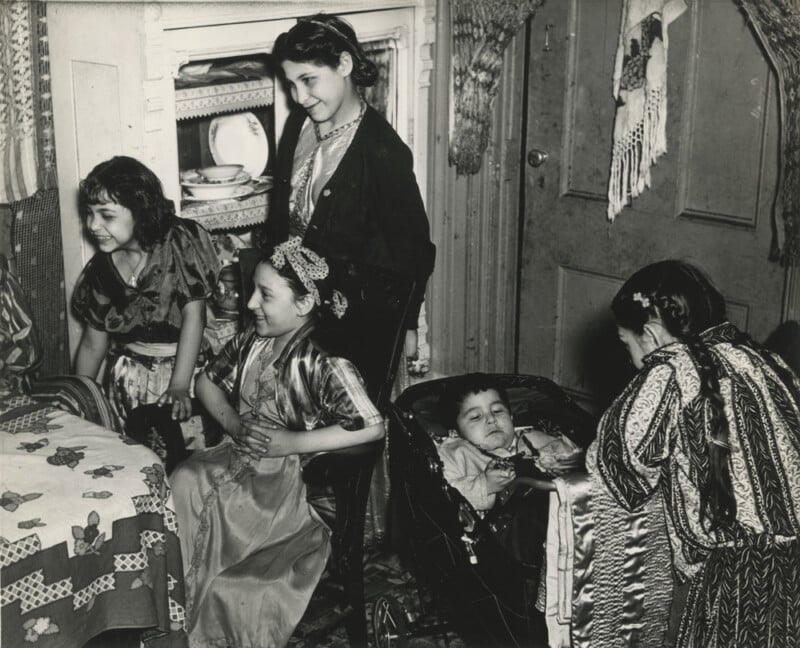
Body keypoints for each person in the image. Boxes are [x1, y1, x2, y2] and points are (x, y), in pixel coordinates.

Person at [170, 237, 384, 648]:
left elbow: (371, 425)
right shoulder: (256, 340)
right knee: (185, 480)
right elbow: (205, 382)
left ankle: (210, 596)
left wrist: (291, 442)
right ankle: (181, 600)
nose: (250, 303)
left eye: (265, 294)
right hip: (241, 454)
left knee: (225, 538)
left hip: (289, 487)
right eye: (253, 290)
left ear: (303, 305)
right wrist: (232, 422)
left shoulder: (323, 359)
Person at [590, 260, 800, 647]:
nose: (631, 359)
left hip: (739, 577)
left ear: (650, 334)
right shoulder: (770, 362)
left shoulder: (668, 373)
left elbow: (619, 469)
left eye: (627, 345)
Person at [255, 13, 436, 409]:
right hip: (299, 313)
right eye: (291, 84)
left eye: (308, 80)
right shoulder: (298, 128)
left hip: (356, 322)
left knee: (343, 429)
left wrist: (408, 326)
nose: (299, 97)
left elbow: (415, 251)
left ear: (345, 64)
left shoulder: (382, 153)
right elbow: (281, 223)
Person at [71, 155, 220, 453]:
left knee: (184, 461)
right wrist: (78, 399)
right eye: (89, 213)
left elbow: (194, 316)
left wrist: (179, 385)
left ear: (140, 211)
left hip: (184, 372)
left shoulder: (181, 243)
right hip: (129, 381)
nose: (92, 225)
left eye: (106, 215)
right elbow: (92, 345)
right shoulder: (100, 271)